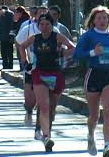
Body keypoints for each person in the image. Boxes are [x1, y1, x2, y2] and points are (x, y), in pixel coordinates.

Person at [73, 5, 109, 157]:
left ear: (108, 20)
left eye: (105, 18)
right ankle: (91, 135)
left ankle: (107, 146)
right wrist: (93, 52)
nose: (102, 20)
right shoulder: (88, 36)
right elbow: (77, 54)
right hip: (93, 75)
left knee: (108, 113)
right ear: (94, 21)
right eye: (99, 18)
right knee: (94, 115)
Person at [19, 13, 75, 152]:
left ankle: (44, 127)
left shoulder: (57, 37)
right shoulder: (35, 38)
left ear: (52, 25)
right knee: (44, 105)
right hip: (39, 73)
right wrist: (25, 61)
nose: (44, 27)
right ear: (38, 26)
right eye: (41, 24)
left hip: (55, 74)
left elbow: (73, 47)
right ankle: (46, 137)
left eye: (47, 24)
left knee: (52, 107)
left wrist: (62, 54)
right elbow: (22, 46)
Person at [15, 6, 60, 140]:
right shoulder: (27, 29)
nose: (44, 24)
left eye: (45, 14)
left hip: (51, 71)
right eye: (40, 14)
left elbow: (65, 45)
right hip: (32, 69)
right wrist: (25, 61)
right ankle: (29, 111)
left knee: (45, 104)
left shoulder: (55, 31)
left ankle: (41, 130)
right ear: (36, 18)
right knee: (30, 101)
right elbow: (19, 44)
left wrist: (61, 52)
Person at [9, 6, 30, 71]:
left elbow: (19, 31)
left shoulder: (23, 21)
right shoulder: (21, 20)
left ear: (20, 13)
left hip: (22, 41)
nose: (15, 14)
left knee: (21, 55)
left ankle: (24, 69)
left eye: (16, 13)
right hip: (21, 40)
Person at [0, 5, 14, 70]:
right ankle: (6, 66)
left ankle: (9, 66)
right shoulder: (3, 15)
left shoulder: (9, 14)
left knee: (8, 52)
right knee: (5, 52)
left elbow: (12, 26)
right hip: (4, 37)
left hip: (7, 37)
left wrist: (11, 36)